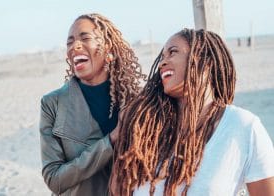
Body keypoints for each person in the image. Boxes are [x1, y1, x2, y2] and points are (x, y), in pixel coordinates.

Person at [110, 28, 274, 196]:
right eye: (162, 57)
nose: (162, 63)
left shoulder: (242, 126)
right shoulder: (145, 130)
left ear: (205, 61)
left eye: (172, 52)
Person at [39, 13, 145, 195]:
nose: (75, 46)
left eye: (85, 38)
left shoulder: (137, 102)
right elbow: (54, 179)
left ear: (108, 47)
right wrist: (111, 140)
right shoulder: (52, 104)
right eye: (69, 42)